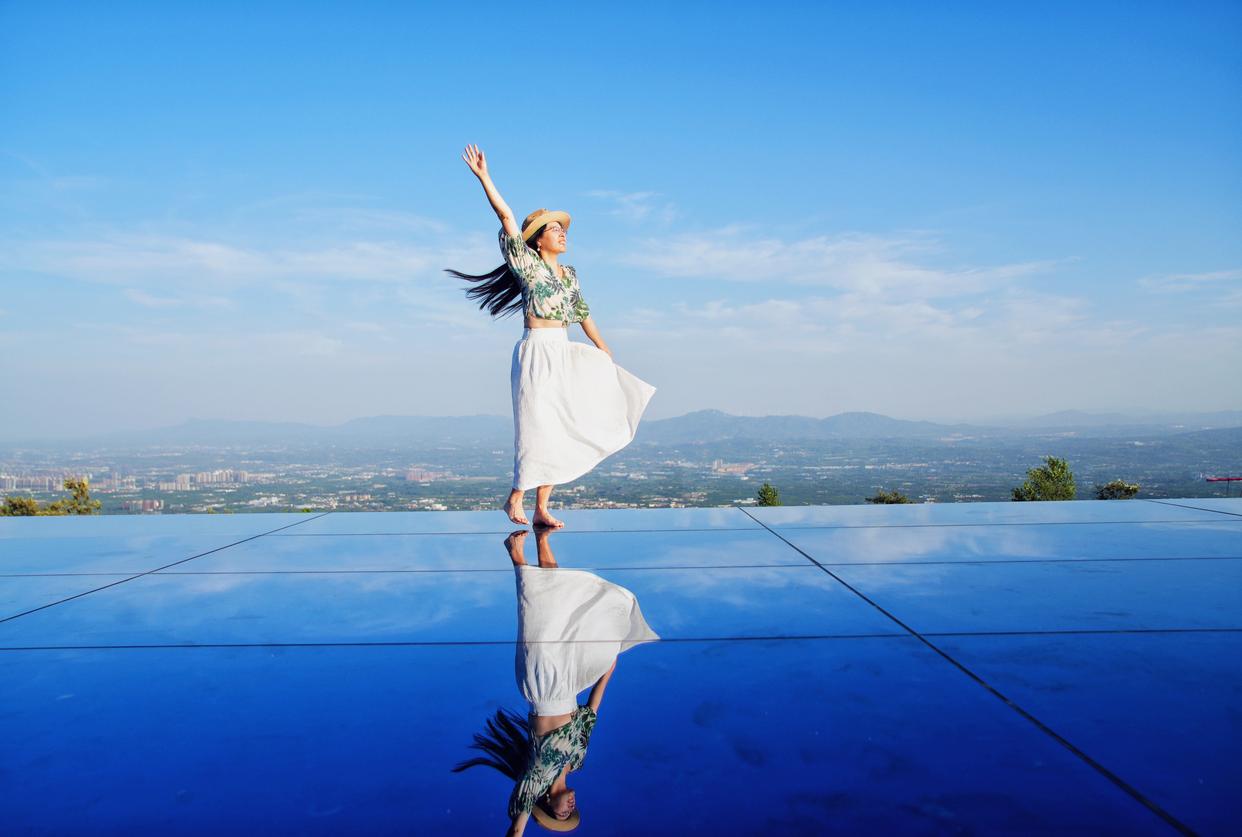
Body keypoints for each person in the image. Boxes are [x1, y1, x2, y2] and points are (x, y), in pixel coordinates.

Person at [446, 144, 657, 530]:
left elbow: (583, 313)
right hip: (536, 352)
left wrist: (602, 348)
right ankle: (516, 495)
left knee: (559, 427)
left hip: (564, 350)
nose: (562, 234)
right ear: (538, 240)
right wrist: (484, 178)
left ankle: (542, 506)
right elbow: (505, 215)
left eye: (563, 229)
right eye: (555, 230)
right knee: (535, 424)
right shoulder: (525, 264)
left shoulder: (570, 274)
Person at [451, 528, 659, 834]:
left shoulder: (535, 779)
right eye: (570, 815)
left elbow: (517, 829)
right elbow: (591, 713)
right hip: (570, 681)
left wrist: (518, 831)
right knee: (561, 605)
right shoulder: (576, 761)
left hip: (542, 683)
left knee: (539, 613)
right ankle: (542, 540)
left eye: (562, 815)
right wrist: (608, 669)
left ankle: (516, 556)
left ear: (547, 803)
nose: (570, 810)